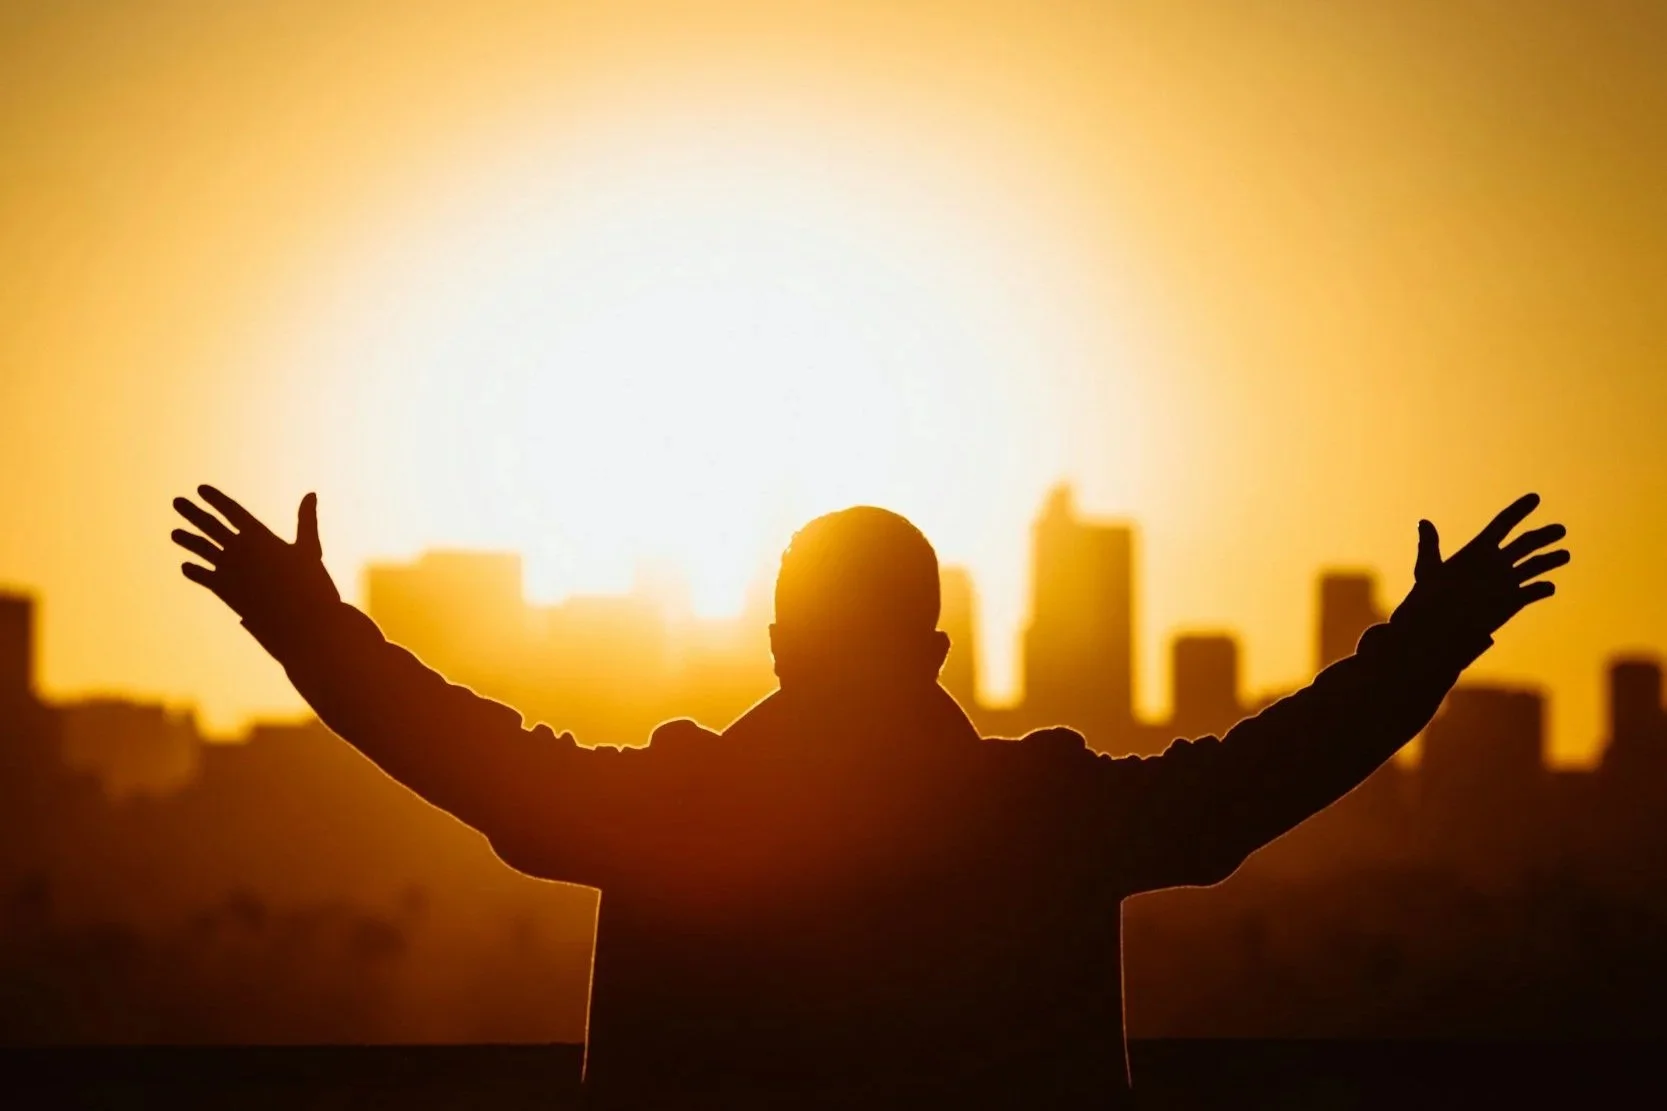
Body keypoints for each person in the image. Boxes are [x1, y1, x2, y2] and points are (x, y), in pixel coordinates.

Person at [170, 487, 1567, 1108]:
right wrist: (1428, 639)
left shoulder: (680, 808)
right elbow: (1261, 779)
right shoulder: (1042, 815)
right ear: (937, 649)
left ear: (777, 645)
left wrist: (306, 625)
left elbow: (463, 748)